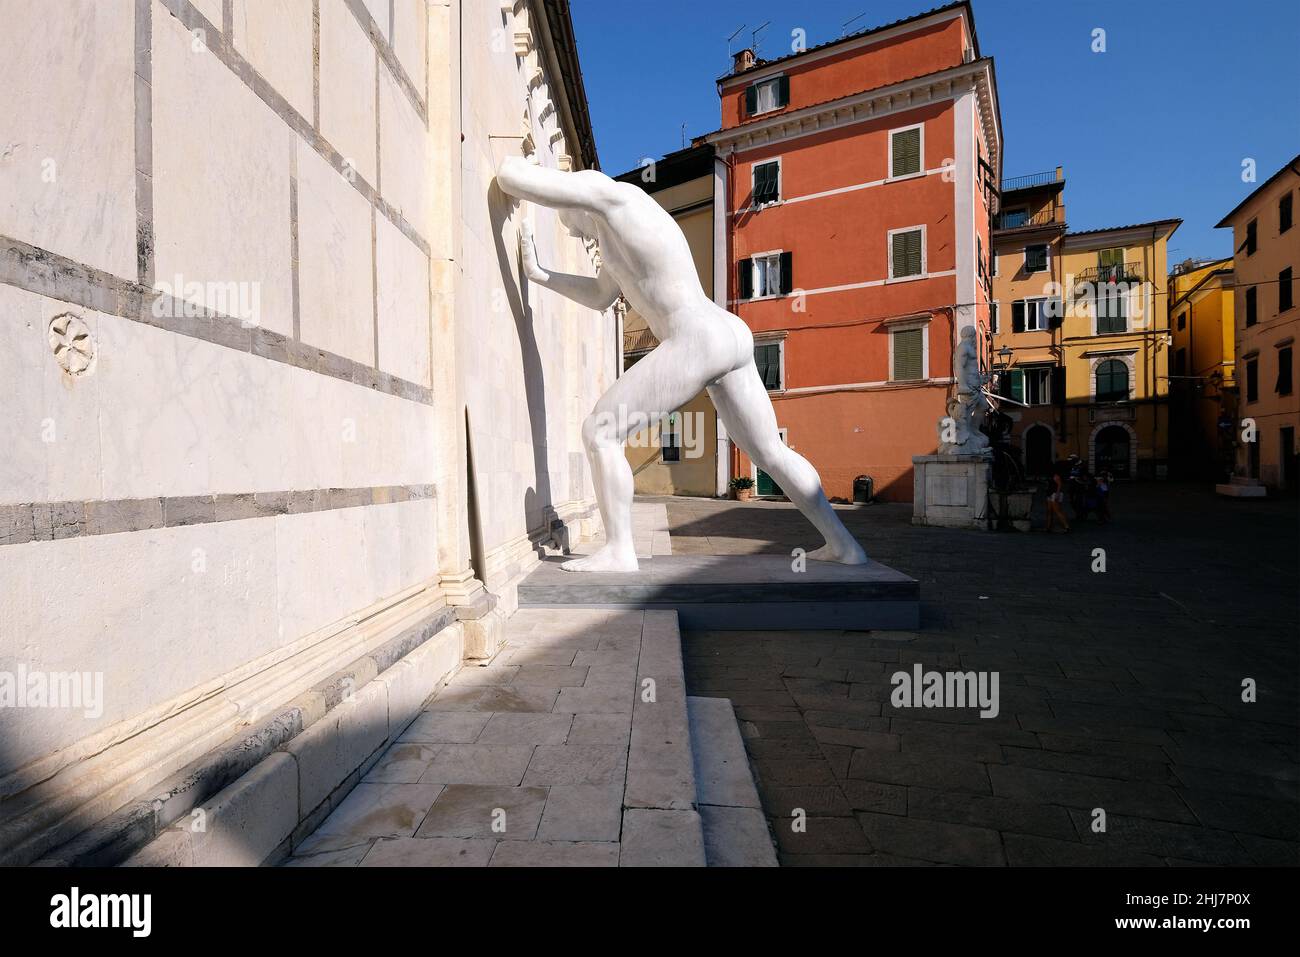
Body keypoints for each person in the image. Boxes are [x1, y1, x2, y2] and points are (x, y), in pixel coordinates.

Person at [495, 155, 867, 572]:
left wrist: (517, 163)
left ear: (576, 197)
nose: (576, 234)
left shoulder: (614, 196)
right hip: (725, 333)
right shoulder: (616, 246)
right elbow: (600, 297)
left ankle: (620, 550)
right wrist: (541, 273)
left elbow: (513, 177)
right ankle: (844, 546)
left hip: (696, 337)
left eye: (571, 223)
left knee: (600, 432)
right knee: (770, 452)